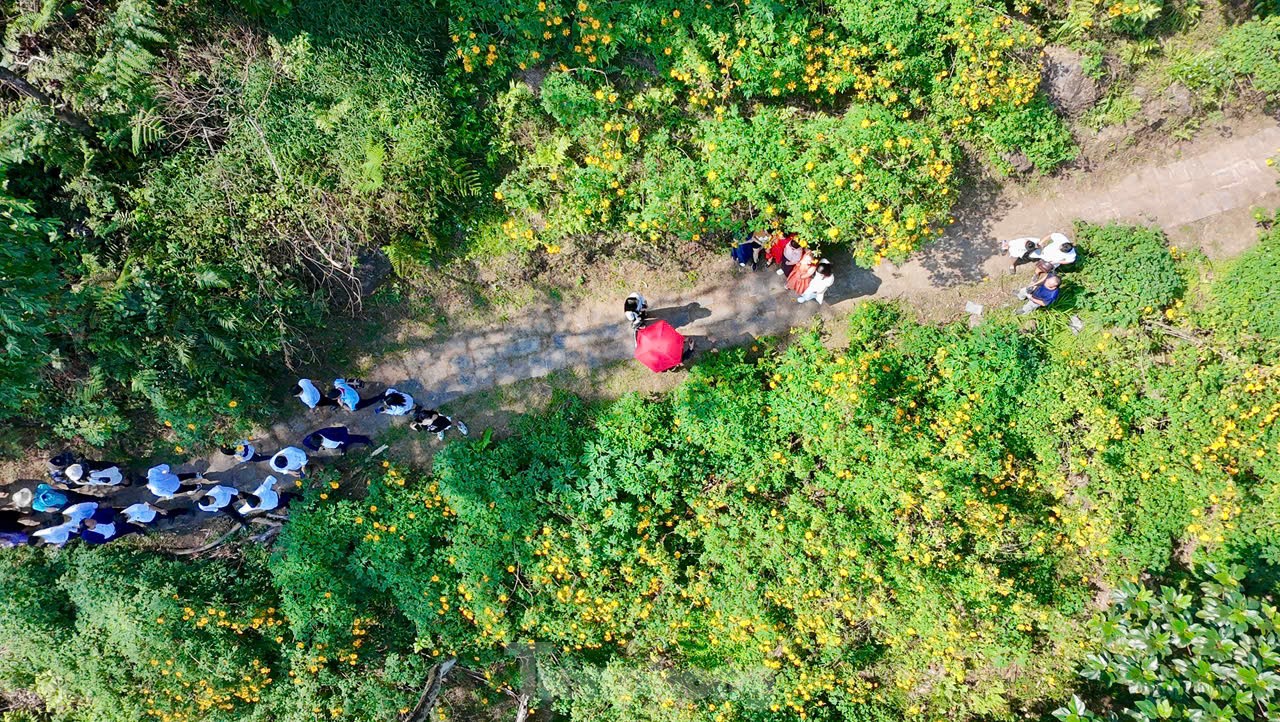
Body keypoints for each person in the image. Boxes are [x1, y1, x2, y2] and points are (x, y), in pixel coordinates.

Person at [302, 426, 374, 454]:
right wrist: (316, 448)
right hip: (334, 444)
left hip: (340, 439)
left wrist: (344, 434)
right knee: (340, 446)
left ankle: (366, 440)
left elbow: (338, 430)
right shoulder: (309, 439)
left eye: (321, 442)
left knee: (353, 439)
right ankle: (343, 448)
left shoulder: (327, 432)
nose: (321, 444)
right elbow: (305, 442)